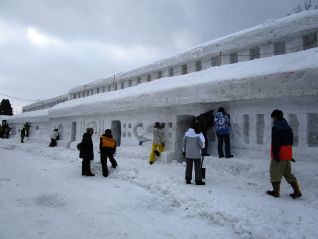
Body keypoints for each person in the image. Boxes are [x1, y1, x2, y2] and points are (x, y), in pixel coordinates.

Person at [267, 109, 302, 199]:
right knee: (287, 172)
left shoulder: (276, 127)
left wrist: (276, 155)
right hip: (287, 153)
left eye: (273, 117)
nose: (272, 119)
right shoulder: (288, 126)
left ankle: (276, 192)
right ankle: (297, 191)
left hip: (280, 154)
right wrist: (290, 155)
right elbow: (290, 141)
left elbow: (276, 142)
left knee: (274, 172)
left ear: (275, 117)